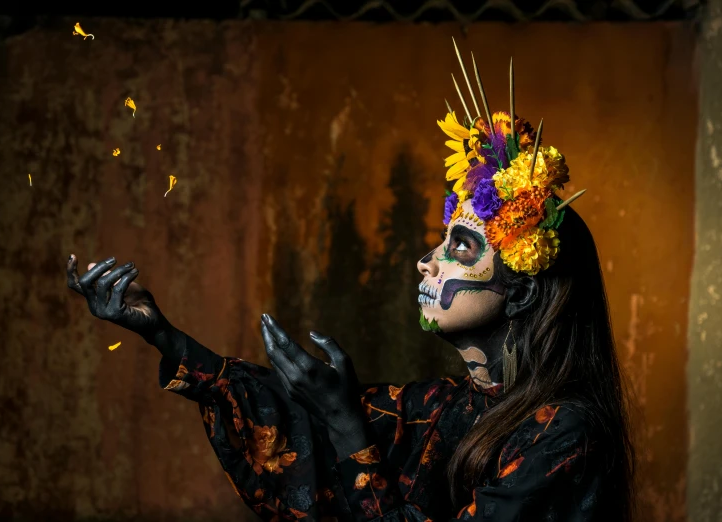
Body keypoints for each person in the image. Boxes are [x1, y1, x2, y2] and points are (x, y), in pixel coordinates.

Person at [66, 43, 634, 521]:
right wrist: (161, 332)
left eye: (461, 247)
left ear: (525, 289)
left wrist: (345, 424)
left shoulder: (566, 433)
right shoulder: (448, 405)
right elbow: (299, 421)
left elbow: (346, 428)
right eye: (442, 242)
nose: (427, 262)